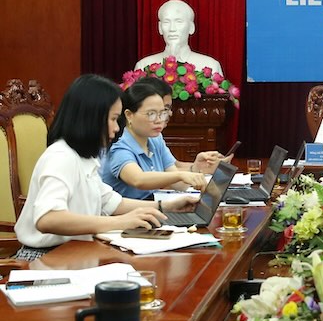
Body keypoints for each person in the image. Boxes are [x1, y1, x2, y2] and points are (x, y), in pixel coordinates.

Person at [13, 75, 198, 261]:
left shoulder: (84, 156)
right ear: (92, 117)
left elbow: (111, 202)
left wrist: (166, 206)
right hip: (46, 258)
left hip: (76, 252)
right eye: (113, 119)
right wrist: (118, 222)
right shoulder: (61, 156)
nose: (117, 128)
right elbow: (48, 218)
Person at [100, 81, 209, 199]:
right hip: (124, 214)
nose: (159, 120)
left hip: (149, 208)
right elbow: (138, 180)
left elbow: (177, 183)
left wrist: (202, 179)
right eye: (151, 114)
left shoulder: (155, 139)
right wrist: (181, 175)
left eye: (162, 113)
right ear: (129, 115)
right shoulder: (119, 145)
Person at [131, 76, 231, 174]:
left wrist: (200, 167)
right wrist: (194, 170)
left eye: (168, 109)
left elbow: (175, 166)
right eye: (165, 109)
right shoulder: (123, 145)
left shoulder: (155, 137)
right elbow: (147, 179)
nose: (169, 113)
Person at [134, 0, 223, 75]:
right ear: (160, 27)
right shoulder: (144, 66)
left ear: (191, 27)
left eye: (179, 21)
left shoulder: (210, 66)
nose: (172, 29)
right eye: (166, 22)